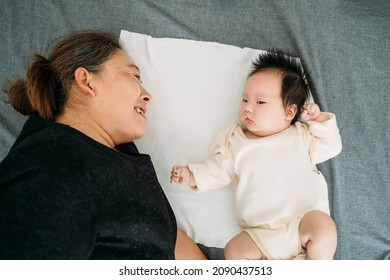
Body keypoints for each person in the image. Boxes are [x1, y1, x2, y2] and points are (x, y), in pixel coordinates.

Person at [0, 29, 204, 260]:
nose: (147, 96)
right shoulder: (52, 166)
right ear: (87, 81)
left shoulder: (112, 150)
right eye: (134, 77)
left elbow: (161, 235)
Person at [171, 49, 342, 260]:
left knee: (324, 228)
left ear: (289, 112)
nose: (248, 108)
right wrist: (192, 175)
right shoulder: (234, 141)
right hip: (260, 235)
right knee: (234, 249)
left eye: (260, 102)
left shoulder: (301, 136)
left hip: (302, 223)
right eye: (244, 100)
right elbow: (218, 169)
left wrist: (318, 121)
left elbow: (330, 146)